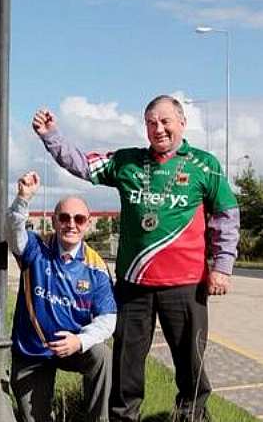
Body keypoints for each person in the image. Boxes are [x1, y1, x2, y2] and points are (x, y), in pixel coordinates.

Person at [32, 95, 240, 422]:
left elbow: (226, 217)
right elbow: (83, 164)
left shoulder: (204, 164)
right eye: (151, 123)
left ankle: (192, 417)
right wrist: (52, 136)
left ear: (182, 123)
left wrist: (223, 268)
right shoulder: (127, 161)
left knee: (191, 367)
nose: (158, 129)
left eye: (165, 121)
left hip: (186, 286)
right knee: (126, 368)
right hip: (133, 286)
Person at [8, 171, 116, 422]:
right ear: (55, 221)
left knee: (102, 355)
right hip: (32, 350)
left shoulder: (96, 267)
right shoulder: (35, 248)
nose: (71, 224)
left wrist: (79, 341)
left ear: (88, 224)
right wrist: (23, 199)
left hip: (73, 347)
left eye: (79, 219)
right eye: (65, 218)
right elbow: (13, 232)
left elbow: (108, 319)